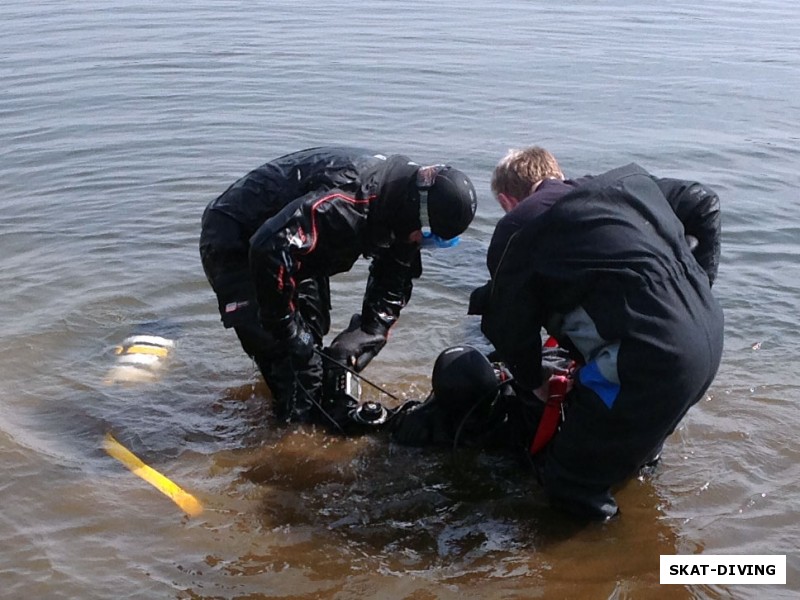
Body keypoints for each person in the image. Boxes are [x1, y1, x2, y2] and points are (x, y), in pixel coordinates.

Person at [392, 146, 723, 520]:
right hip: (709, 336)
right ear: (558, 173)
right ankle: (644, 495)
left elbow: (507, 324)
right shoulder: (629, 183)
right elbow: (705, 203)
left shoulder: (519, 226)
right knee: (636, 449)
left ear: (506, 200)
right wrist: (699, 289)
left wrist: (535, 381)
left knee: (569, 484)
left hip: (650, 360)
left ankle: (628, 569)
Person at [200, 146, 477, 429]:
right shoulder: (349, 200)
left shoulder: (405, 209)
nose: (420, 241)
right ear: (418, 211)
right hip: (238, 242)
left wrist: (367, 334)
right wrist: (287, 328)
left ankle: (298, 408)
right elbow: (267, 248)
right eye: (425, 235)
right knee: (295, 366)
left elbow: (395, 276)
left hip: (295, 249)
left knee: (314, 343)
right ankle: (290, 445)